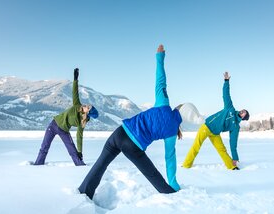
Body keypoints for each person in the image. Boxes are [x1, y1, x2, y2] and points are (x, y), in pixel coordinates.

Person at [78, 45, 199, 200]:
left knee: (100, 164)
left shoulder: (163, 103)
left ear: (180, 108)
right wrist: (173, 181)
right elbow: (170, 158)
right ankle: (170, 193)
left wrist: (160, 57)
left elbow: (160, 81)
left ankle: (83, 193)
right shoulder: (172, 132)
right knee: (152, 173)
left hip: (120, 132)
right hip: (133, 147)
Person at [182, 71, 249, 170]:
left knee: (222, 149)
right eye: (244, 110)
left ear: (243, 118)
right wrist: (226, 81)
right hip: (207, 127)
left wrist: (235, 157)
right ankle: (186, 165)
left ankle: (231, 166)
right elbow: (226, 95)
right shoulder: (230, 108)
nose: (243, 111)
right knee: (196, 146)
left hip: (215, 133)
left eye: (245, 113)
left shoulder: (235, 127)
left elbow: (233, 142)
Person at [34, 68, 98, 166]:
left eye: (88, 107)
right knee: (44, 147)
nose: (86, 105)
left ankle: (81, 166)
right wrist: (76, 79)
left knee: (73, 151)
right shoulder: (77, 105)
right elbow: (75, 92)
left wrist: (80, 151)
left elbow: (79, 136)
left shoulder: (82, 122)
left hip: (64, 131)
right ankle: (37, 165)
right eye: (88, 105)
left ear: (87, 113)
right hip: (53, 125)